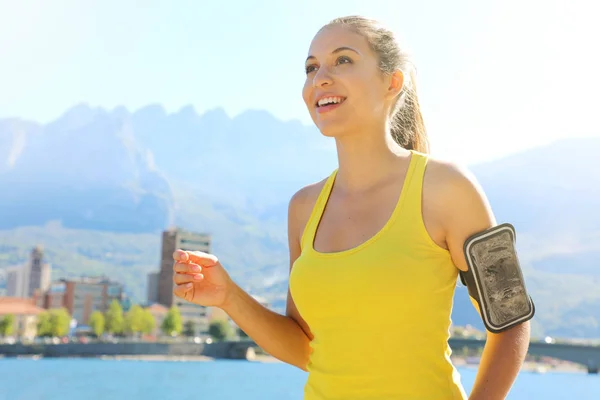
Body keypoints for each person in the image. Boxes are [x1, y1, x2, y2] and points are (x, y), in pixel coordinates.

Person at [172, 15, 531, 400]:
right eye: (311, 68)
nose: (320, 78)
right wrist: (229, 297)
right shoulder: (304, 207)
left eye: (343, 60)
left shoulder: (448, 188)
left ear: (392, 82)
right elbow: (306, 347)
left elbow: (511, 321)